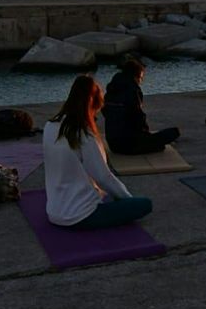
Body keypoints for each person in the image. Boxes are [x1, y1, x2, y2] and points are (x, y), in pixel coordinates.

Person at [43, 75, 153, 229]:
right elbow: (103, 177)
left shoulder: (50, 126)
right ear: (93, 104)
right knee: (145, 204)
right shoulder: (84, 134)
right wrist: (127, 199)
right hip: (81, 215)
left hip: (54, 211)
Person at [103, 58, 181, 154]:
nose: (141, 81)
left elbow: (106, 112)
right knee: (173, 132)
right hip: (129, 145)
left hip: (113, 144)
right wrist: (145, 135)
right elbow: (138, 117)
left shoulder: (111, 89)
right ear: (136, 76)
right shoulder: (132, 90)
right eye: (141, 78)